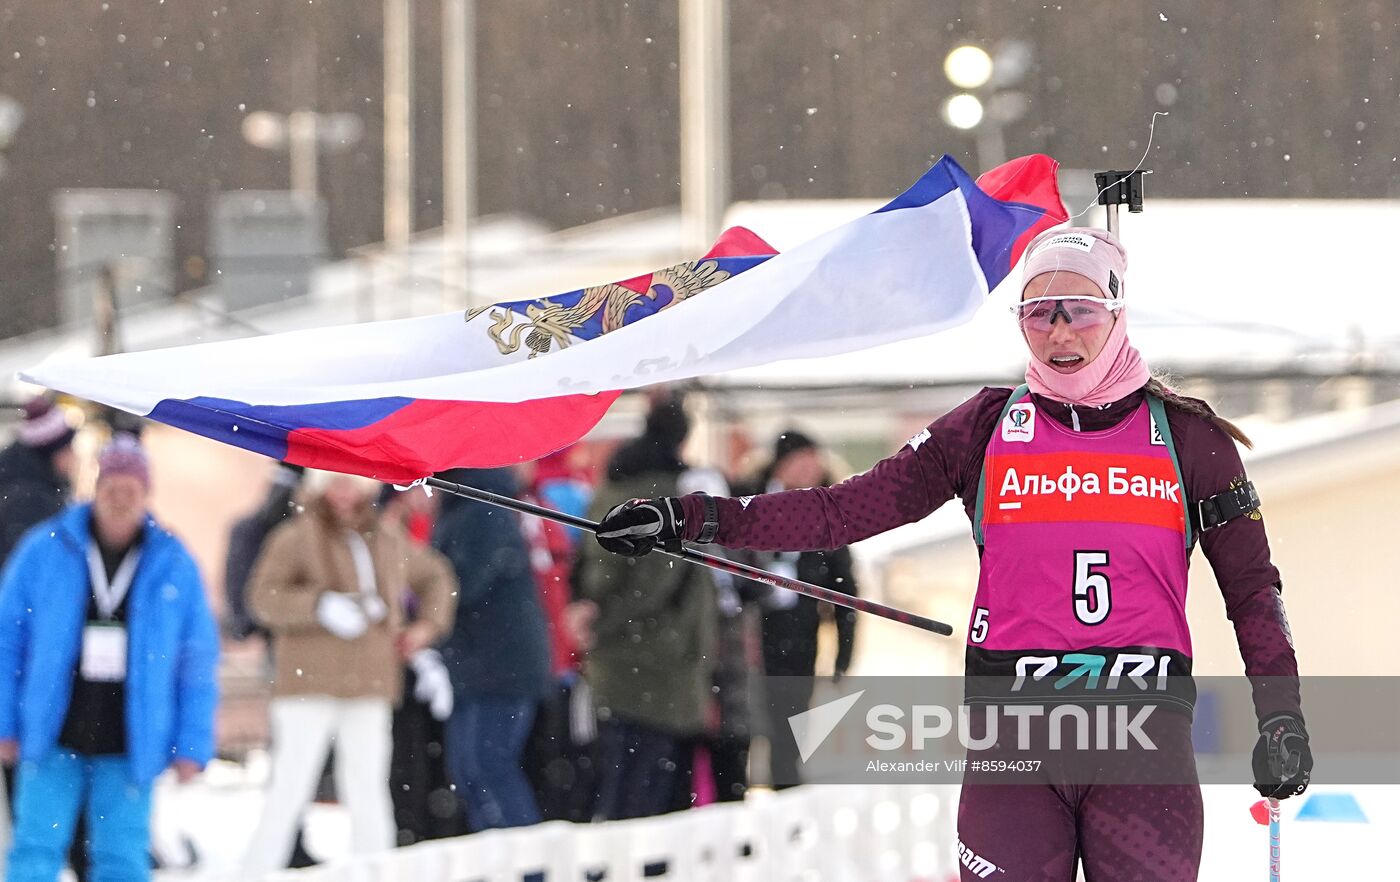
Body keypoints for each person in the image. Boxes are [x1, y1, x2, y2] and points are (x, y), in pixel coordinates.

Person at [593, 227, 1311, 881]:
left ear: (1118, 312)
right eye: (1038, 313)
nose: (1060, 331)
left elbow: (1252, 589)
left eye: (1080, 309)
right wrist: (688, 518)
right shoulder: (986, 428)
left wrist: (1281, 716)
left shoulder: (1189, 439)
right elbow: (842, 510)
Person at [0, 433, 220, 882]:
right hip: (49, 733)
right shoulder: (46, 549)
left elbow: (196, 661)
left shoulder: (173, 563)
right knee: (35, 849)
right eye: (111, 488)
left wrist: (192, 742)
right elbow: (7, 642)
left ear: (146, 494)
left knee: (122, 858)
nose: (120, 500)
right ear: (95, 488)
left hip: (131, 739)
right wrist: (4, 723)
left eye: (131, 491)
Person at [241, 471, 456, 873]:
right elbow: (262, 597)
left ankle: (376, 872)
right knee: (289, 789)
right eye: (334, 484)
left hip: (371, 684)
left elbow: (436, 576)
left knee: (369, 792)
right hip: (308, 685)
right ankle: (257, 872)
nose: (342, 494)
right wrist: (318, 606)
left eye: (350, 484)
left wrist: (424, 628)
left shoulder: (387, 539)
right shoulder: (295, 537)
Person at [575, 392, 717, 821]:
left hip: (624, 662)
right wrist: (607, 623)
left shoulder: (613, 485)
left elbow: (590, 565)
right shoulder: (666, 493)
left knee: (623, 783)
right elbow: (656, 583)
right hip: (656, 661)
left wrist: (592, 618)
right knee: (647, 793)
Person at [432, 467, 551, 831]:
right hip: (482, 664)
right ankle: (497, 860)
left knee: (487, 766)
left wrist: (419, 588)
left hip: (501, 667)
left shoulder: (482, 510)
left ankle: (528, 866)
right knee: (470, 770)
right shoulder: (473, 506)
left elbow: (463, 584)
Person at [741, 430, 858, 789]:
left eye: (813, 460)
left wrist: (843, 654)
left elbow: (845, 591)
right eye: (799, 461)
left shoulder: (829, 512)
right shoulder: (749, 499)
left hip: (798, 641)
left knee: (788, 730)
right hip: (749, 638)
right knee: (744, 726)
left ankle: (784, 798)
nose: (809, 469)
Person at [378, 485, 465, 845]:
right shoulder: (381, 533)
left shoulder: (408, 537)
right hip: (374, 668)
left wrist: (424, 629)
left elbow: (434, 578)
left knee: (410, 757)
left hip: (406, 665)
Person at [0, 397, 77, 565]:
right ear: (54, 452)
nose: (74, 456)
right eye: (69, 447)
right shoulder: (30, 499)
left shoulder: (30, 483)